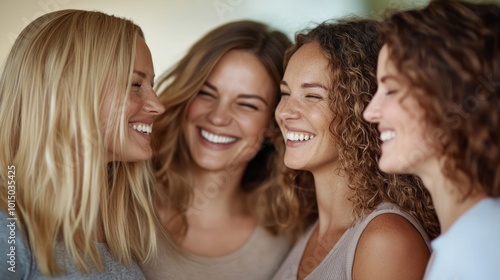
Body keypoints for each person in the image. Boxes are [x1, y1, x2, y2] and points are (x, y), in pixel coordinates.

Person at [0, 9, 167, 279]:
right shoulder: (8, 229)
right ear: (68, 90)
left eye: (151, 85)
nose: (158, 106)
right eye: (135, 84)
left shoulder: (118, 219)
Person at [142, 20, 315, 280]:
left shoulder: (290, 236)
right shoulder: (125, 203)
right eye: (206, 93)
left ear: (272, 123)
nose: (219, 117)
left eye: (247, 105)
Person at [272, 18, 440, 280]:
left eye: (313, 96)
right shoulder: (308, 230)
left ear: (363, 109)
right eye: (285, 94)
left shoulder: (385, 240)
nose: (285, 112)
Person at [363, 1, 500, 279]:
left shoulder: (476, 251)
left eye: (392, 89)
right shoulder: (468, 240)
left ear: (451, 95)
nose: (369, 112)